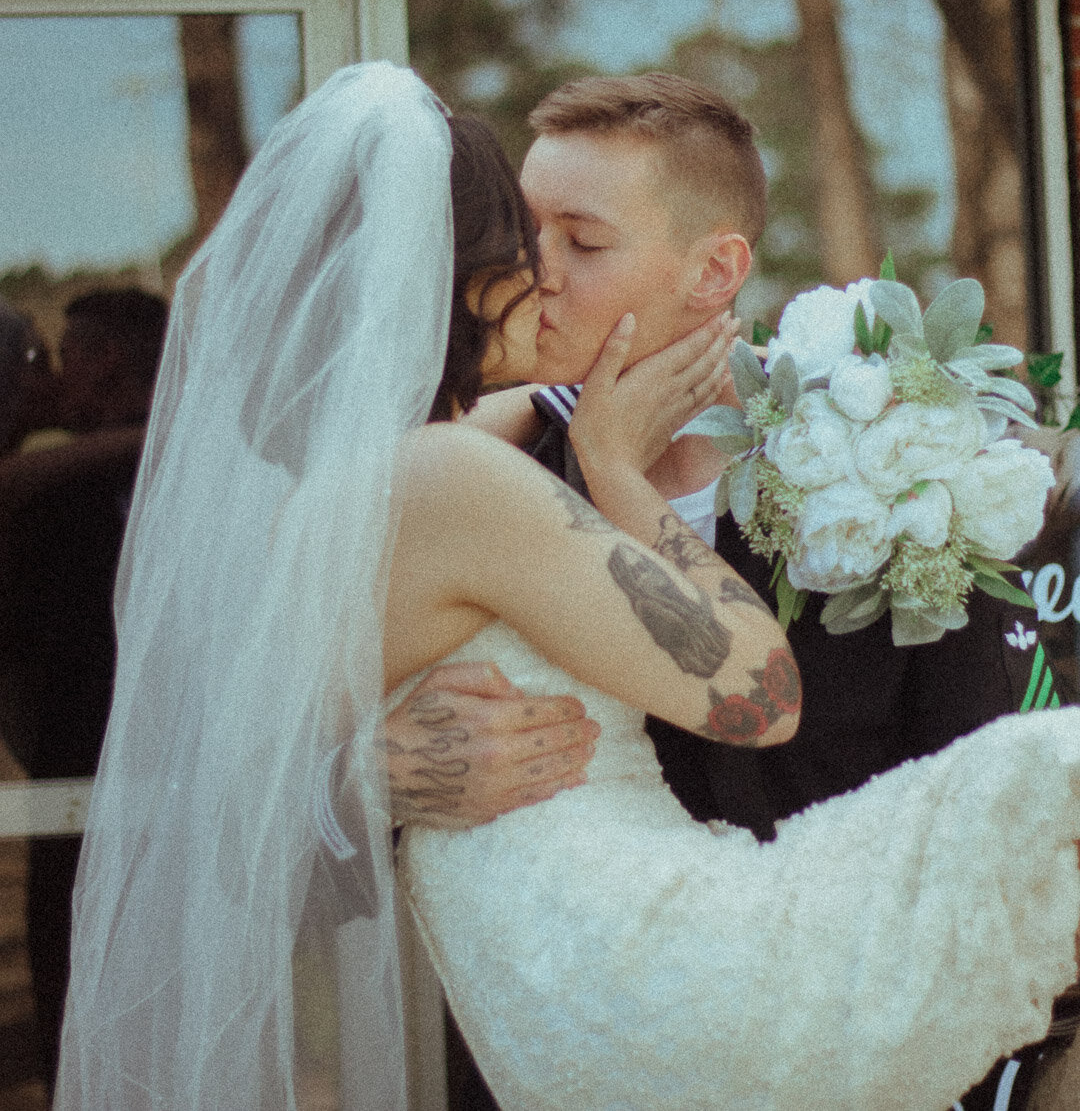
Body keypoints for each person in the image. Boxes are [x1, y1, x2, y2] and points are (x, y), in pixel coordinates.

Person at [56, 64, 1080, 1111]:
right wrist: (356, 781)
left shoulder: (895, 462)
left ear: (715, 271)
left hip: (879, 1055)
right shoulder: (480, 464)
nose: (539, 271)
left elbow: (975, 757)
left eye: (581, 242)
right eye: (522, 236)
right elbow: (222, 813)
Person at [0, 287, 168, 1092]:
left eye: (60, 355)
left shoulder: (215, 469)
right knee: (76, 1024)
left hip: (178, 813)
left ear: (102, 360)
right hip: (71, 808)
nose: (53, 377)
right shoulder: (48, 492)